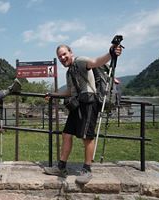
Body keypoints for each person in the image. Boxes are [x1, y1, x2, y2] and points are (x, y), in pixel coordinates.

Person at [43, 42, 122, 184]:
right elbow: (69, 91)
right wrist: (53, 94)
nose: (62, 58)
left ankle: (87, 170)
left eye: (64, 54)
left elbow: (96, 62)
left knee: (87, 138)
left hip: (89, 104)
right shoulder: (69, 72)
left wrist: (111, 52)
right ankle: (61, 167)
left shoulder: (80, 62)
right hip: (77, 104)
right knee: (67, 135)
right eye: (60, 56)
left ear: (70, 52)